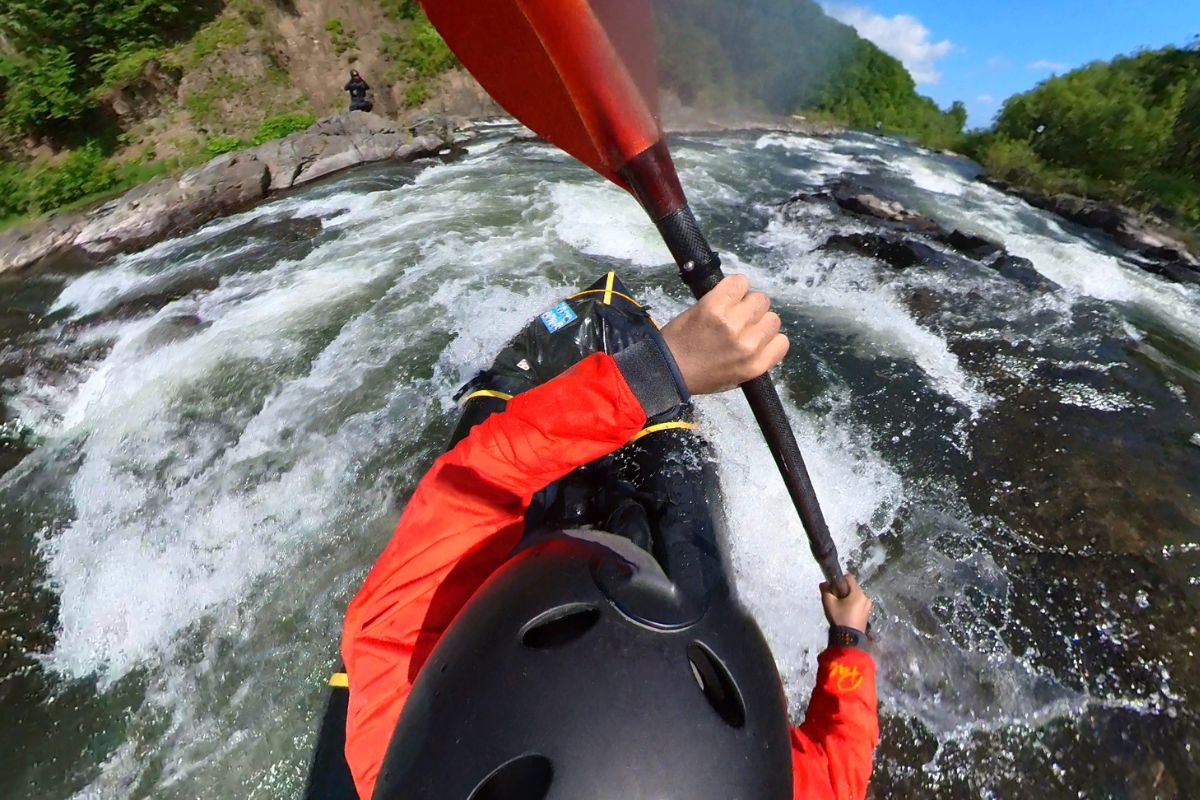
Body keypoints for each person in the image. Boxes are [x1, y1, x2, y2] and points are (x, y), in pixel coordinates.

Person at [339, 275, 879, 799]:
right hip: (632, 591)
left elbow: (471, 485)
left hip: (521, 583)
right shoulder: (761, 781)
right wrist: (848, 645)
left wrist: (658, 371)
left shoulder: (396, 735)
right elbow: (839, 770)